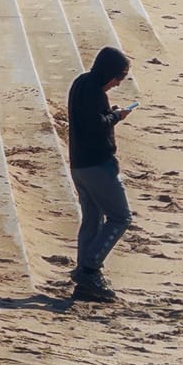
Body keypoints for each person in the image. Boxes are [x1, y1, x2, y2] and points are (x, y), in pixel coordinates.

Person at [68, 45, 135, 302]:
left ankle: (86, 283)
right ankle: (89, 269)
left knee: (92, 220)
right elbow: (96, 127)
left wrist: (110, 113)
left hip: (79, 165)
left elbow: (89, 120)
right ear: (109, 74)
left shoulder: (81, 83)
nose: (117, 84)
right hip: (97, 166)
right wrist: (116, 116)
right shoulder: (94, 91)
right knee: (121, 217)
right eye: (118, 78)